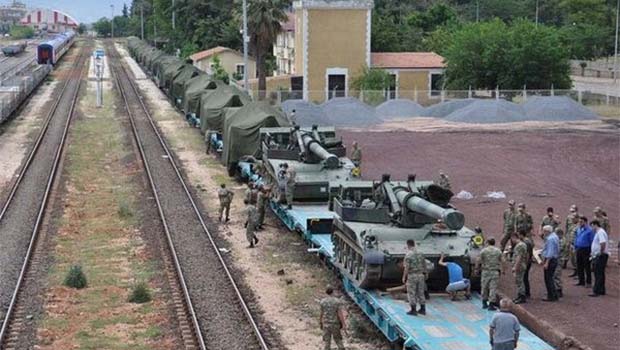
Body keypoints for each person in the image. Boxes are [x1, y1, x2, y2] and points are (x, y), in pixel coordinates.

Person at [477, 237, 503, 310]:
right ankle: (491, 304)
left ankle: (484, 303)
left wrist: (477, 269)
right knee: (493, 288)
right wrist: (503, 270)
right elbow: (503, 260)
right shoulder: (498, 251)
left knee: (484, 287)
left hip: (485, 271)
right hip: (495, 271)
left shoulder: (484, 251)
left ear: (487, 243)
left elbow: (478, 260)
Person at [402, 239, 427, 316]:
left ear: (408, 245)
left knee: (411, 292)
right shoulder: (421, 253)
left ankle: (413, 310)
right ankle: (423, 309)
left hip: (412, 275)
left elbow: (407, 267)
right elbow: (424, 264)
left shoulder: (408, 255)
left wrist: (404, 277)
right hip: (420, 275)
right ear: (414, 244)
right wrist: (426, 273)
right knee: (420, 292)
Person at [319, 286, 346, 350]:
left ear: (326, 292)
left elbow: (321, 313)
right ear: (333, 292)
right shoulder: (337, 301)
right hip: (335, 324)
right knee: (338, 340)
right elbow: (340, 314)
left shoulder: (322, 302)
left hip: (326, 324)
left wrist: (320, 322)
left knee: (327, 342)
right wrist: (343, 324)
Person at [589, 220, 609, 297]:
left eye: (592, 226)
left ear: (595, 225)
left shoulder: (600, 232)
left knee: (598, 273)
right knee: (600, 273)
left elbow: (602, 243)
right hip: (601, 255)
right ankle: (601, 290)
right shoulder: (600, 232)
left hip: (600, 256)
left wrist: (600, 253)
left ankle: (596, 291)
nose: (591, 228)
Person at [541, 225, 560, 301]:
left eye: (544, 231)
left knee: (548, 279)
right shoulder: (554, 236)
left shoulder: (550, 239)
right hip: (554, 259)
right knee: (551, 278)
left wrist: (546, 263)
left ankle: (551, 295)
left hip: (550, 260)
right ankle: (554, 294)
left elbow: (550, 252)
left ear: (547, 231)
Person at [574, 216, 594, 287]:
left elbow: (592, 241)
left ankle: (588, 282)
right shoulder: (579, 229)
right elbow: (576, 238)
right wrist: (575, 246)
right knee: (579, 265)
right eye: (579, 222)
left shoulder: (590, 230)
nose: (580, 223)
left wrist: (591, 251)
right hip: (579, 248)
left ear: (585, 222)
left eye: (581, 222)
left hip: (586, 249)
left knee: (587, 266)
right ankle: (581, 281)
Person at [510, 233, 528, 304]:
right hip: (522, 265)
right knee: (519, 281)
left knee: (519, 281)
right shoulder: (523, 245)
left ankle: (522, 296)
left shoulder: (519, 246)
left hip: (519, 266)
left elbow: (519, 257)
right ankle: (519, 295)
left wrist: (515, 267)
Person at [520, 230, 534, 299]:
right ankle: (526, 292)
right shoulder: (528, 241)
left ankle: (526, 292)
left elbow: (527, 254)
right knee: (525, 277)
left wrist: (525, 262)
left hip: (526, 262)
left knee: (524, 277)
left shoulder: (525, 242)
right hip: (528, 261)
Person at [553, 229, 565, 297]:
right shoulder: (559, 240)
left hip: (559, 260)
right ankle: (556, 288)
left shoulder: (562, 241)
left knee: (557, 275)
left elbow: (558, 250)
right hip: (558, 259)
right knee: (555, 274)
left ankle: (559, 290)